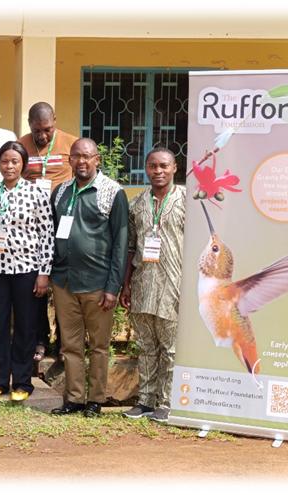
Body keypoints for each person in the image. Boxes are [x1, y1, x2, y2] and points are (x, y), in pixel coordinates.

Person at [49, 137, 128, 418]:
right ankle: (73, 399)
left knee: (98, 346)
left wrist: (113, 287)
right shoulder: (60, 192)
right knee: (69, 345)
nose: (81, 161)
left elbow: (121, 242)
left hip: (98, 284)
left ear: (97, 160)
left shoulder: (112, 192)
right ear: (69, 160)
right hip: (64, 282)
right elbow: (51, 235)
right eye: (76, 156)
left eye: (87, 156)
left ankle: (95, 400)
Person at [0, 141, 52, 402]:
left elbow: (46, 235)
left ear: (23, 165)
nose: (9, 166)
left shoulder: (36, 194)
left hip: (27, 269)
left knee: (25, 326)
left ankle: (22, 382)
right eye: (5, 161)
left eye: (15, 162)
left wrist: (43, 272)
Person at [120, 148, 186, 423]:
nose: (158, 171)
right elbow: (130, 247)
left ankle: (167, 402)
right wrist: (126, 285)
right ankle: (145, 400)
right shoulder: (137, 203)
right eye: (152, 166)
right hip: (144, 283)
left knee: (170, 348)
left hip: (174, 283)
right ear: (146, 168)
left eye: (163, 166)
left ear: (174, 168)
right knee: (146, 345)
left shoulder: (187, 200)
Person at [18, 101, 78, 365]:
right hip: (33, 224)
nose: (42, 135)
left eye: (47, 129)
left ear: (55, 120)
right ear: (29, 124)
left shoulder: (71, 143)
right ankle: (40, 339)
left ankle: (66, 343)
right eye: (37, 130)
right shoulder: (21, 144)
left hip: (64, 221)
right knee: (37, 284)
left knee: (64, 284)